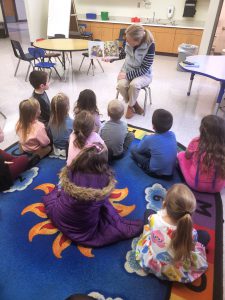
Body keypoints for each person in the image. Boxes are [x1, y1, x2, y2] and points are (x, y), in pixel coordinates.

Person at [43, 143, 143, 247]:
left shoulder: (71, 170)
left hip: (59, 215)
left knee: (60, 194)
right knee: (107, 210)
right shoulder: (103, 178)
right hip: (81, 229)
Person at [136, 184, 209, 283]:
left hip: (153, 263)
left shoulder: (154, 219)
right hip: (178, 269)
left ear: (164, 204)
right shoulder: (191, 233)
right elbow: (191, 248)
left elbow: (151, 223)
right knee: (205, 236)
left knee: (148, 212)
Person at [177, 115, 225, 193]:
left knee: (181, 155)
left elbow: (187, 156)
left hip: (194, 184)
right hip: (217, 187)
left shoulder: (196, 142)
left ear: (202, 130)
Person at [116, 24, 155, 119]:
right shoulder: (128, 40)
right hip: (127, 69)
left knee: (134, 85)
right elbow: (122, 54)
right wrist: (111, 58)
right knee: (120, 85)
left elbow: (144, 68)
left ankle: (130, 106)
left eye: (129, 41)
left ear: (137, 41)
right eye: (127, 40)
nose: (127, 42)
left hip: (144, 74)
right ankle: (135, 104)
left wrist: (126, 76)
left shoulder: (150, 46)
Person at [131, 109, 177, 178]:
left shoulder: (149, 139)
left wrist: (145, 137)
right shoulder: (173, 134)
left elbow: (139, 150)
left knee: (133, 149)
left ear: (153, 126)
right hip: (170, 173)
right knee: (155, 150)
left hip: (154, 172)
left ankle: (143, 166)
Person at [0, 126, 39, 191]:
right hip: (3, 179)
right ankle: (21, 164)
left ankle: (17, 163)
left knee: (18, 159)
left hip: (3, 169)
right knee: (24, 158)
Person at [48, 92, 73, 157]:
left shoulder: (50, 122)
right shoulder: (72, 123)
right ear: (67, 108)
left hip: (55, 149)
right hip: (68, 150)